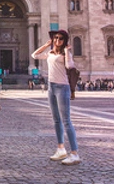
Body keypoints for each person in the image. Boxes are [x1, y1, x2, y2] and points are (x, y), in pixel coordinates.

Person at [31, 29, 81, 165]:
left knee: (66, 121)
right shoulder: (50, 53)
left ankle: (75, 153)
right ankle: (60, 149)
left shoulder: (65, 54)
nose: (57, 40)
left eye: (60, 38)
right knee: (56, 120)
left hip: (62, 87)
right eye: (55, 38)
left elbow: (70, 66)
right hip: (51, 87)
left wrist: (66, 51)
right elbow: (35, 55)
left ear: (65, 41)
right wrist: (47, 45)